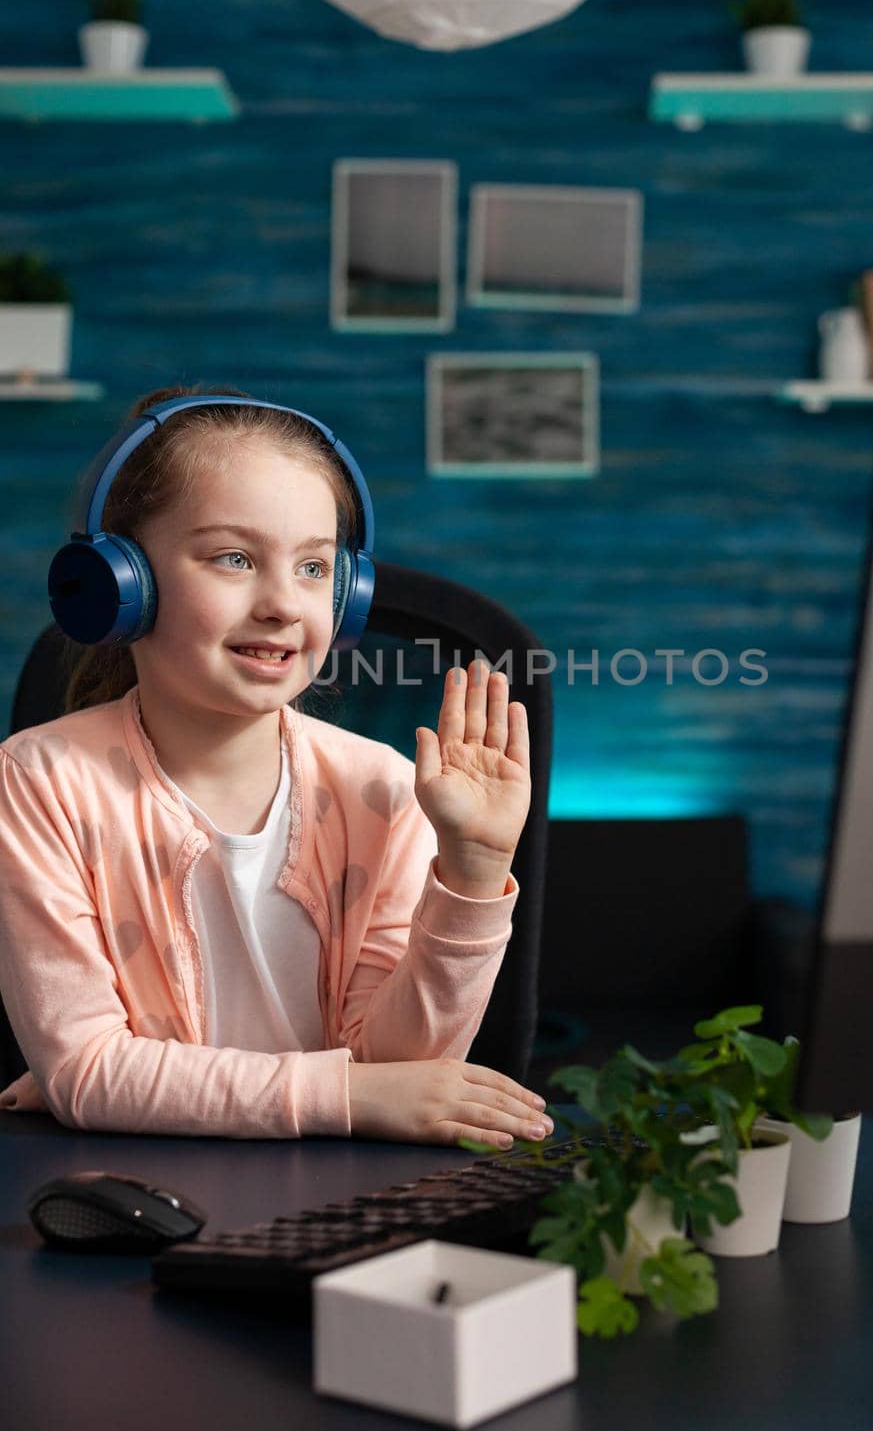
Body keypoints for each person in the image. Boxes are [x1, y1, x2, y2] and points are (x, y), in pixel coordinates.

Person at [0, 386, 553, 1147]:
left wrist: (472, 871)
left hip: (344, 1189)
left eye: (314, 568)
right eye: (234, 558)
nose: (284, 605)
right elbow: (87, 1072)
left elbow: (405, 1073)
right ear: (121, 585)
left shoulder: (385, 789)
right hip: (135, 1183)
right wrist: (348, 1092)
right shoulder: (39, 782)